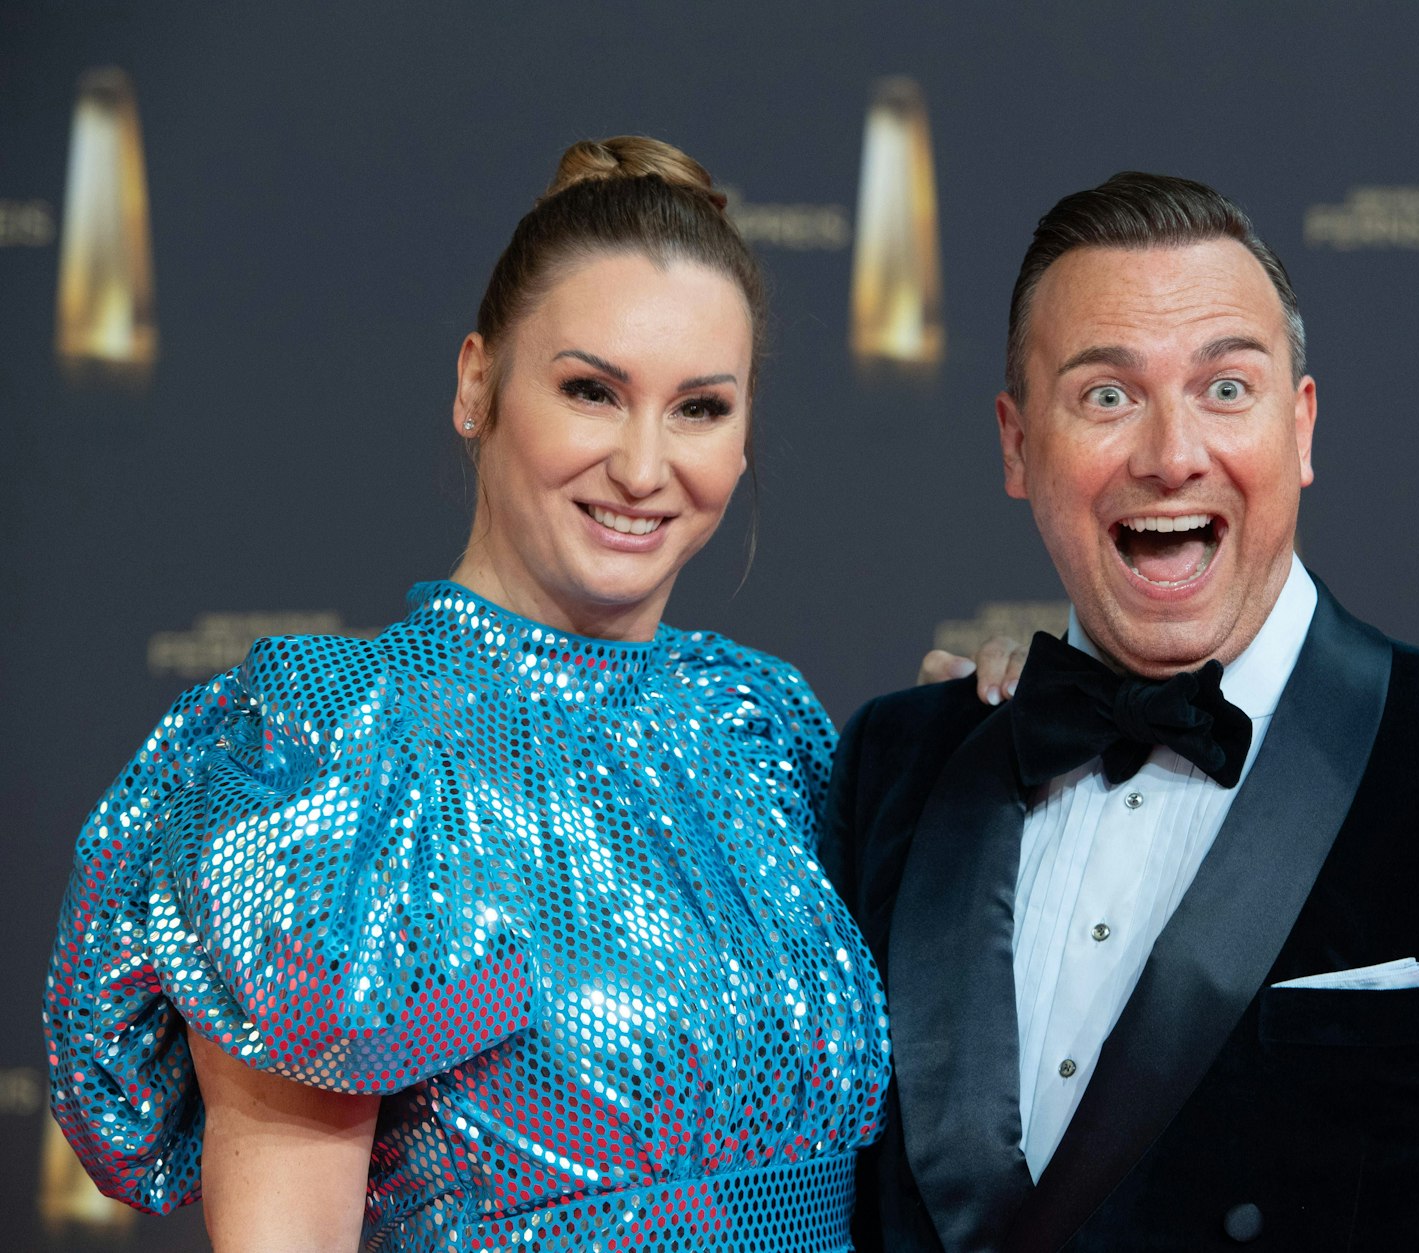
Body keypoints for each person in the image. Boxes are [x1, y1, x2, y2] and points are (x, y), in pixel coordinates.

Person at [42, 136, 1016, 1253]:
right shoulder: (342, 746)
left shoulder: (760, 725)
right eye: (591, 391)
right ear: (476, 384)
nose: (644, 467)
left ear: (745, 437)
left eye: (699, 407)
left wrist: (997, 733)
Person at [822, 172, 1419, 1251]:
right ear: (1017, 445)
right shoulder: (898, 765)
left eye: (1225, 388)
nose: (1171, 452)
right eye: (1106, 396)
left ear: (1299, 426)